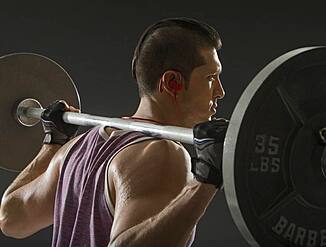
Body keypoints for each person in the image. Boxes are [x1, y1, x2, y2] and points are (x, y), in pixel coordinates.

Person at [0, 17, 228, 247]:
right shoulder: (162, 154)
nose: (220, 92)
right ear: (172, 83)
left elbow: (12, 217)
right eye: (210, 78)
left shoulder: (75, 148)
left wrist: (53, 143)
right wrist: (204, 183)